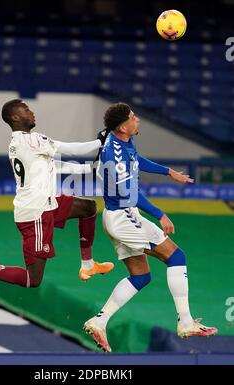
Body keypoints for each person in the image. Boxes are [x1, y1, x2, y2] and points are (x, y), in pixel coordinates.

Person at [83, 102, 218, 352]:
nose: (138, 120)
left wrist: (168, 172)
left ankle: (99, 321)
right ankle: (186, 322)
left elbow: (137, 160)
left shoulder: (123, 140)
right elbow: (131, 193)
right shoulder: (114, 154)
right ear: (123, 126)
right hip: (125, 217)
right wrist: (161, 214)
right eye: (133, 117)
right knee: (176, 256)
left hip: (117, 216)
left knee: (141, 276)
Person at [0, 99, 114, 289]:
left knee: (88, 207)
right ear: (15, 117)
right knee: (32, 280)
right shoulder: (32, 140)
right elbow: (71, 150)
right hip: (36, 214)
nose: (32, 112)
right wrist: (100, 141)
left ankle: (88, 265)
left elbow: (52, 165)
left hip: (46, 203)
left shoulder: (17, 144)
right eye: (26, 110)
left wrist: (88, 168)